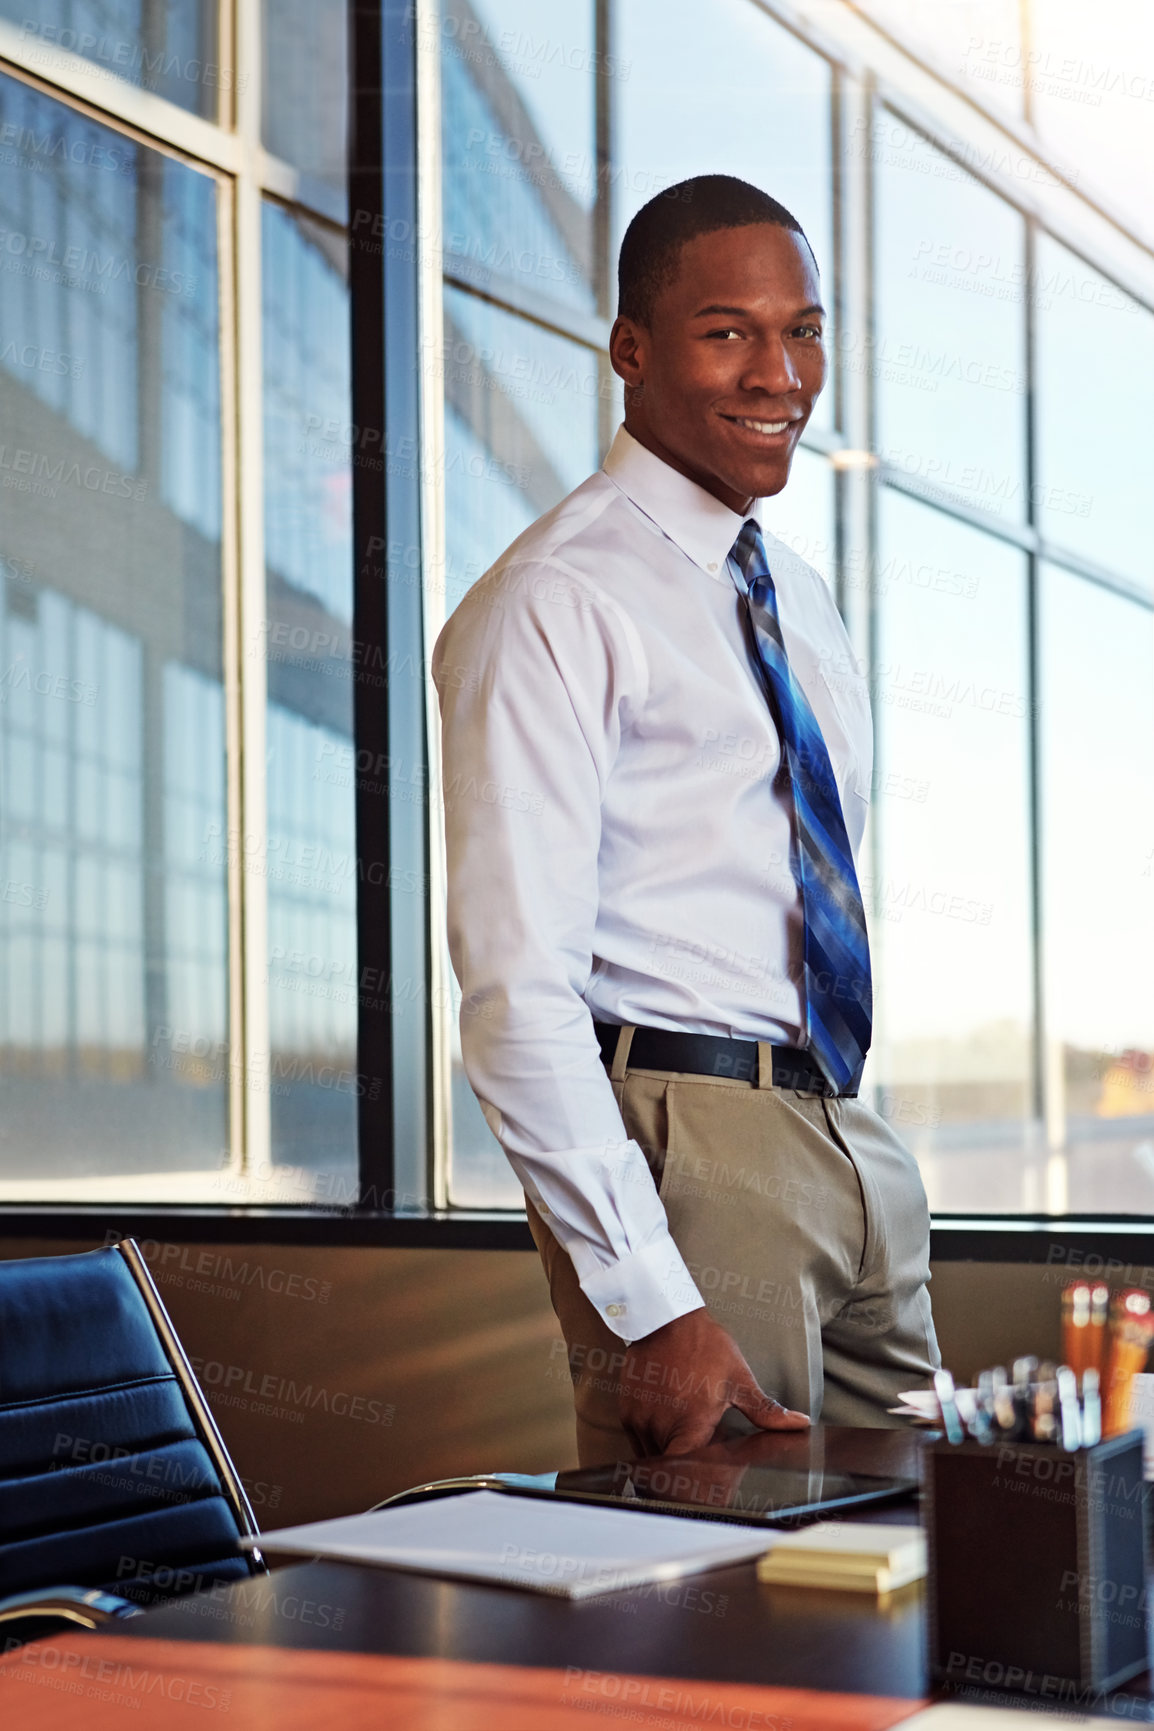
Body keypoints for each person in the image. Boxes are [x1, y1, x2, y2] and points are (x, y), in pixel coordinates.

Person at [431, 174, 940, 1468]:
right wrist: (649, 1298)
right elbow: (513, 994)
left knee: (936, 1551)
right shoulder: (556, 600)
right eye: (729, 333)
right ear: (630, 351)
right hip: (687, 1140)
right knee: (727, 1605)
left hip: (841, 1129)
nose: (781, 374)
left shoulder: (795, 597)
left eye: (804, 330)